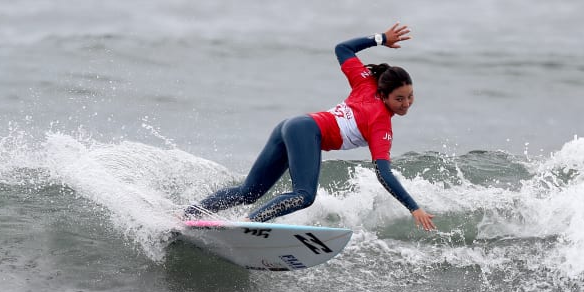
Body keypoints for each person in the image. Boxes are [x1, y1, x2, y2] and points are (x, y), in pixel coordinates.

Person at [185, 23, 436, 231]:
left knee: (249, 192)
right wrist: (414, 207)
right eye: (399, 99)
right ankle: (248, 224)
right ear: (384, 95)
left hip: (292, 126)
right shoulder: (380, 123)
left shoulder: (366, 83)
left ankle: (187, 214)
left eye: (410, 96)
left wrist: (380, 39)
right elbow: (384, 173)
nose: (406, 104)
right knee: (303, 195)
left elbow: (343, 48)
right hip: (307, 131)